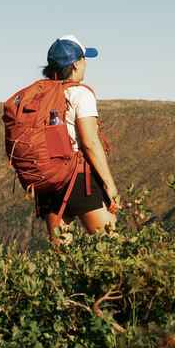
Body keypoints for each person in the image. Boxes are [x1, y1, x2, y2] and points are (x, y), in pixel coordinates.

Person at [34, 34, 120, 236]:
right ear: (74, 65)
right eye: (83, 59)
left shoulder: (40, 96)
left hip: (48, 181)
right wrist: (109, 185)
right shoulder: (80, 94)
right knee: (110, 246)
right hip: (78, 179)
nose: (85, 64)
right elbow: (90, 142)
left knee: (63, 252)